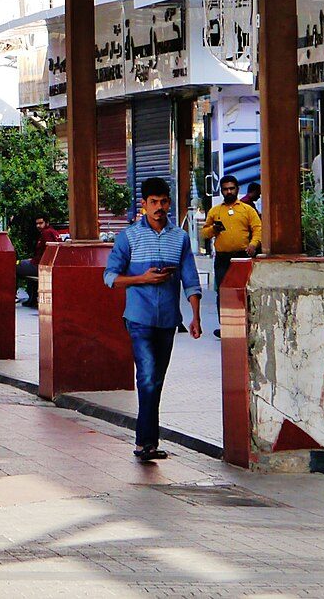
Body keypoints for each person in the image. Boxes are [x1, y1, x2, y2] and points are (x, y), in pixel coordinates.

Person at [103, 176, 203, 462]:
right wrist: (141, 279)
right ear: (144, 204)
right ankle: (144, 443)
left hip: (168, 320)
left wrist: (195, 316)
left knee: (156, 381)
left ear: (169, 203)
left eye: (163, 202)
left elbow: (191, 279)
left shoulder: (180, 238)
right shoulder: (129, 237)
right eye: (153, 202)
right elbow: (109, 277)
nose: (159, 207)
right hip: (138, 318)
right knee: (146, 378)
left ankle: (148, 442)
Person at [203, 174, 261, 334]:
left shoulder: (247, 210)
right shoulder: (215, 211)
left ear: (237, 189)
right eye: (225, 189)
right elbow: (204, 233)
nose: (229, 192)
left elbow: (258, 228)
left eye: (231, 188)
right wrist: (213, 229)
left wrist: (253, 244)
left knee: (243, 290)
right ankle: (225, 327)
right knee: (223, 291)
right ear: (221, 191)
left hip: (242, 256)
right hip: (222, 258)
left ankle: (245, 324)